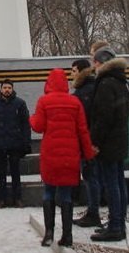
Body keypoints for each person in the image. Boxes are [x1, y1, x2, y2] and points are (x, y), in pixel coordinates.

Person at [30, 68, 96, 247]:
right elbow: (82, 130)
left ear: (49, 83)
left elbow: (38, 126)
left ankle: (49, 233)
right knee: (66, 195)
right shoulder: (74, 102)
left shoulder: (44, 101)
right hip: (70, 154)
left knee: (48, 192)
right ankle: (67, 236)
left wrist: (32, 118)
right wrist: (89, 153)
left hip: (50, 153)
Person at [89, 47, 129, 242]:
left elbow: (103, 117)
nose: (93, 65)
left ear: (101, 63)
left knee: (112, 184)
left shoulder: (105, 84)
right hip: (119, 140)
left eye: (94, 62)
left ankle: (115, 226)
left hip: (108, 142)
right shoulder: (121, 82)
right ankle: (119, 223)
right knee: (119, 183)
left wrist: (94, 141)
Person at [0, 79, 31, 208]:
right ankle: (1, 199)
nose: (7, 90)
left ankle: (18, 199)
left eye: (9, 88)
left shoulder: (20, 104)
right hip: (0, 144)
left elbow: (25, 125)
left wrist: (26, 143)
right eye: (5, 87)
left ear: (13, 89)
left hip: (15, 144)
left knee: (16, 173)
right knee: (1, 173)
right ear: (0, 89)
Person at [70, 58, 102, 228]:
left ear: (82, 71)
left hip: (88, 142)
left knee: (91, 178)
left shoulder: (84, 92)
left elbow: (86, 120)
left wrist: (90, 141)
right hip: (91, 141)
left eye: (74, 71)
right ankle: (94, 210)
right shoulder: (93, 87)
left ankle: (93, 213)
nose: (71, 74)